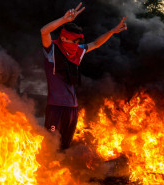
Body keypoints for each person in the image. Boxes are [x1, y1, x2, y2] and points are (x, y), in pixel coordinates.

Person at [40, 2, 127, 150]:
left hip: (73, 109)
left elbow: (95, 43)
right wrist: (63, 20)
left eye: (76, 41)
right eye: (70, 40)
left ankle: (59, 172)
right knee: (50, 145)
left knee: (64, 148)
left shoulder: (77, 52)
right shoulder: (52, 50)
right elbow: (44, 31)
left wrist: (112, 31)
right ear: (63, 38)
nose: (73, 44)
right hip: (55, 108)